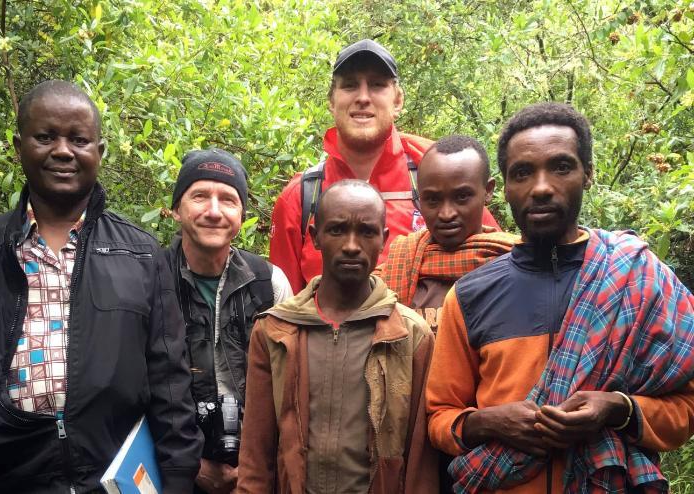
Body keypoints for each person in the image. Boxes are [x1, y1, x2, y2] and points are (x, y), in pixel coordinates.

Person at [0, 80, 202, 493]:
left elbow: (170, 386)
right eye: (46, 136)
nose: (63, 150)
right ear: (18, 145)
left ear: (99, 153)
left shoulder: (142, 257)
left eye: (79, 139)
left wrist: (177, 479)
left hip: (111, 478)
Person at [427, 102, 694, 493]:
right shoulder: (470, 295)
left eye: (561, 167)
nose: (541, 187)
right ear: (503, 186)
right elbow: (439, 417)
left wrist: (618, 408)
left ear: (588, 174)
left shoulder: (639, 278)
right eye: (522, 172)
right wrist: (490, 421)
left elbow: (686, 407)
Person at [238, 179, 438, 494]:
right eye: (337, 230)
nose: (351, 245)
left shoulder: (409, 334)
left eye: (367, 232)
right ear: (315, 236)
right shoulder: (276, 330)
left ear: (384, 239)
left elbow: (420, 461)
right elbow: (256, 452)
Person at [269, 38, 500, 293]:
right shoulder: (300, 197)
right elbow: (285, 311)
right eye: (350, 86)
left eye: (377, 85)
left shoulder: (436, 173)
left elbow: (495, 260)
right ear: (332, 102)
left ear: (398, 100)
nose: (363, 97)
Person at [163, 148, 292, 493]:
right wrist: (191, 465)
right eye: (200, 196)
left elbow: (289, 390)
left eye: (228, 199)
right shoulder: (151, 282)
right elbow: (131, 391)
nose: (214, 211)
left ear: (241, 214)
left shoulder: (269, 283)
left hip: (257, 470)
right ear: (177, 209)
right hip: (173, 467)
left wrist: (254, 469)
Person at [379, 135, 517, 331]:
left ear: (487, 191)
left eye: (461, 197)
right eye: (433, 200)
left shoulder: (515, 264)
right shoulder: (396, 268)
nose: (446, 214)